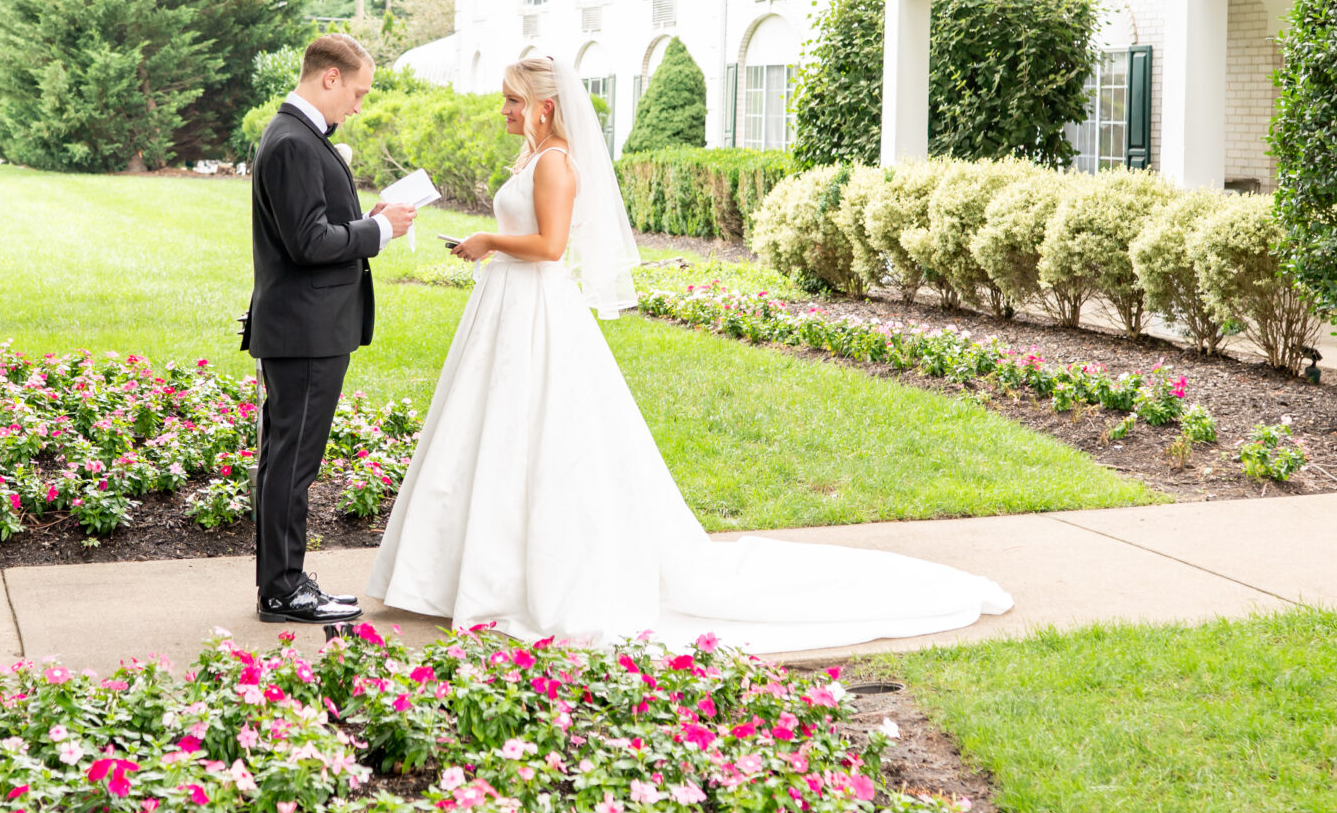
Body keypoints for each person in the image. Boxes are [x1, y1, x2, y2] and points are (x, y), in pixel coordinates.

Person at [364, 54, 1011, 654]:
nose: (503, 109)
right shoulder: (532, 159)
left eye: (511, 100)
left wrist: (488, 239)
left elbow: (553, 244)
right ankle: (471, 574)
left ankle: (523, 577)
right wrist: (489, 244)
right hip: (505, 310)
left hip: (535, 312)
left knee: (538, 435)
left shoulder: (557, 162)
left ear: (542, 105)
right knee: (493, 437)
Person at [243, 35, 416, 624]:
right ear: (331, 78)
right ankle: (284, 590)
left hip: (305, 327)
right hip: (305, 331)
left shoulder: (298, 137)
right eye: (359, 92)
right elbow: (309, 243)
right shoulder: (293, 141)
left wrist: (364, 221)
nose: (360, 106)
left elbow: (314, 227)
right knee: (292, 465)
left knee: (285, 461)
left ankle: (284, 583)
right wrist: (381, 231)